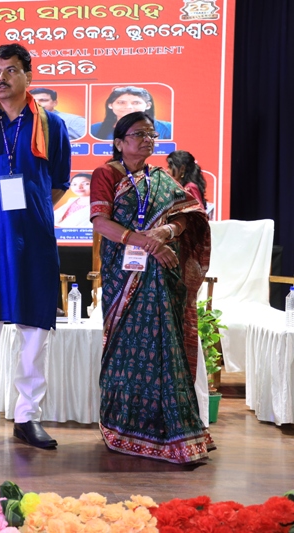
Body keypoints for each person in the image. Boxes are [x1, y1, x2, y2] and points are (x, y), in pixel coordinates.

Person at [0, 43, 71, 449]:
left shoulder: (52, 125)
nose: (1, 78)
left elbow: (58, 183)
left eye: (11, 70)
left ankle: (27, 416)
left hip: (32, 238)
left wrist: (28, 213)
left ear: (28, 76)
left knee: (34, 327)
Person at [90, 111, 213, 464]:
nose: (147, 140)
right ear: (119, 142)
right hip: (124, 274)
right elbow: (101, 222)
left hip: (163, 274)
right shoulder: (106, 174)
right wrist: (146, 242)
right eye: (138, 134)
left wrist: (165, 232)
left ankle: (176, 433)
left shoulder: (160, 178)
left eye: (151, 134)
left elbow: (188, 216)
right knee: (127, 350)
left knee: (167, 346)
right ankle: (125, 429)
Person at [91, 86, 172, 140]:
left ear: (148, 105)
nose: (128, 107)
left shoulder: (168, 128)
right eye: (121, 102)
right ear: (110, 105)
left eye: (136, 103)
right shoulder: (94, 129)